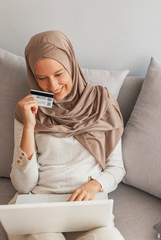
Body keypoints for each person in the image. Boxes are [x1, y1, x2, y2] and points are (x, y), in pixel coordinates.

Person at [9, 30, 125, 240]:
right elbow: (23, 185)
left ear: (71, 65)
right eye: (41, 78)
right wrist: (28, 126)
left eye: (59, 74)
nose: (52, 86)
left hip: (88, 204)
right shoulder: (27, 107)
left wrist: (94, 185)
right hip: (41, 203)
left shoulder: (102, 102)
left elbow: (116, 168)